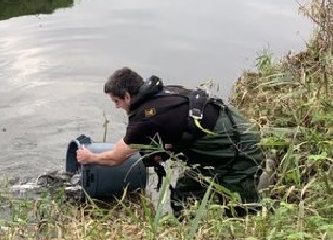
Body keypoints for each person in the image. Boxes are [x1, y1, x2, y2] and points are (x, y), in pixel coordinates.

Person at [76, 67, 264, 215]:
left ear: (127, 96)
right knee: (183, 195)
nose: (117, 107)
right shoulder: (162, 92)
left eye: (116, 101)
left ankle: (262, 181)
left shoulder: (144, 119)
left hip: (239, 146)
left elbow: (116, 158)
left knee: (241, 209)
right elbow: (179, 125)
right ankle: (189, 235)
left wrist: (90, 157)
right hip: (235, 125)